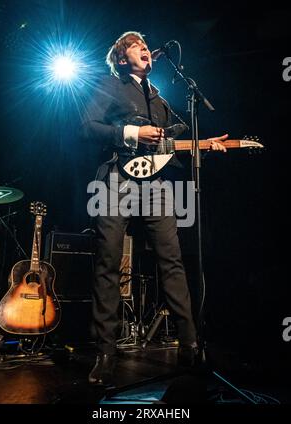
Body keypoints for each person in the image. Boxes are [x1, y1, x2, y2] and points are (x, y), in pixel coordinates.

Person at [81, 31, 227, 385]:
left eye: (145, 46)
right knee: (108, 261)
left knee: (172, 259)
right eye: (136, 46)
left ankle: (189, 345)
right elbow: (87, 127)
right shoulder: (109, 85)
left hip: (156, 183)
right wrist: (131, 133)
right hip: (117, 177)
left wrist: (203, 144)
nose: (145, 49)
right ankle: (105, 352)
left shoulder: (159, 99)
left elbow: (173, 136)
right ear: (121, 58)